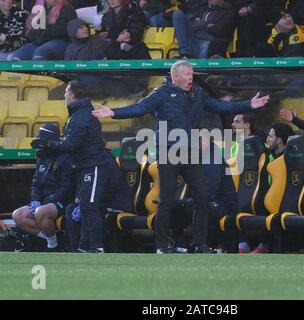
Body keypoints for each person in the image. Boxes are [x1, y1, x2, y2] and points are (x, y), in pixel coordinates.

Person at [93, 60, 270, 253]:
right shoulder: (161, 94)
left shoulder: (197, 94)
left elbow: (219, 106)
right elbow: (139, 108)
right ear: (175, 76)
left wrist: (248, 105)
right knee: (166, 200)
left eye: (192, 74)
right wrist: (113, 113)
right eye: (187, 74)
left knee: (202, 198)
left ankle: (200, 244)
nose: (191, 77)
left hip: (191, 151)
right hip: (168, 151)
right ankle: (161, 245)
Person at [31, 80, 116, 253]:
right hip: (87, 165)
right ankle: (85, 247)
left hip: (93, 165)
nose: (64, 95)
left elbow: (71, 145)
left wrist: (49, 145)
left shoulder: (80, 116)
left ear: (73, 94)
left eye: (66, 92)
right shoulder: (79, 114)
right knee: (85, 207)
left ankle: (97, 247)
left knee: (89, 207)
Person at [13, 124, 75, 251]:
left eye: (42, 141)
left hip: (63, 201)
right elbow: (36, 183)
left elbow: (66, 188)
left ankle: (53, 247)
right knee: (18, 215)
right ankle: (52, 239)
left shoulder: (65, 158)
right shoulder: (42, 157)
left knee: (41, 212)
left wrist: (44, 203)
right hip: (43, 202)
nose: (40, 145)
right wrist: (35, 200)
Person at [250, 122, 293, 254]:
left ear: (279, 140)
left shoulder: (292, 158)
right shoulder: (267, 156)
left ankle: (265, 246)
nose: (267, 139)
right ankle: (259, 245)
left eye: (270, 136)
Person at [9, 0, 77, 60]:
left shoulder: (67, 9)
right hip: (39, 41)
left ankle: (41, 74)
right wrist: (39, 33)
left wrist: (40, 32)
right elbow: (30, 32)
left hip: (61, 41)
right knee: (18, 55)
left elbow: (60, 31)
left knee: (40, 53)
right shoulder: (37, 10)